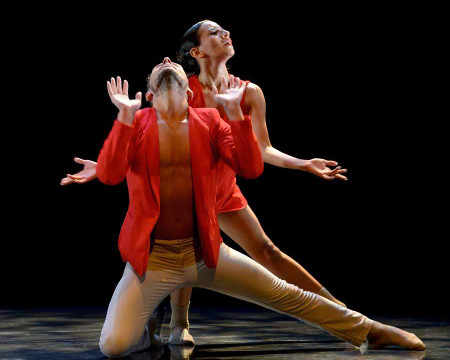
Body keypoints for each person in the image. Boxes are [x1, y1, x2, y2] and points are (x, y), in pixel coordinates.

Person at [96, 59, 425, 358]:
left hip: (205, 254)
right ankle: (144, 333)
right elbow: (110, 174)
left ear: (189, 93)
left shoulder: (210, 121)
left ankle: (370, 329)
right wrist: (123, 117)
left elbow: (250, 167)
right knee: (113, 346)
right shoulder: (136, 124)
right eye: (159, 65)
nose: (167, 61)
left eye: (171, 63)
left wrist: (235, 114)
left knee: (287, 294)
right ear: (150, 95)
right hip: (153, 260)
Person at [62, 19, 349, 345]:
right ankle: (178, 323)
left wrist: (303, 164)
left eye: (224, 30)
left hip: (224, 191)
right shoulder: (185, 90)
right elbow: (151, 140)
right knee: (184, 241)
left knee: (267, 250)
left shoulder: (249, 91)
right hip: (190, 191)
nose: (225, 34)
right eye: (214, 32)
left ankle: (336, 309)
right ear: (196, 51)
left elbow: (261, 148)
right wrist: (102, 167)